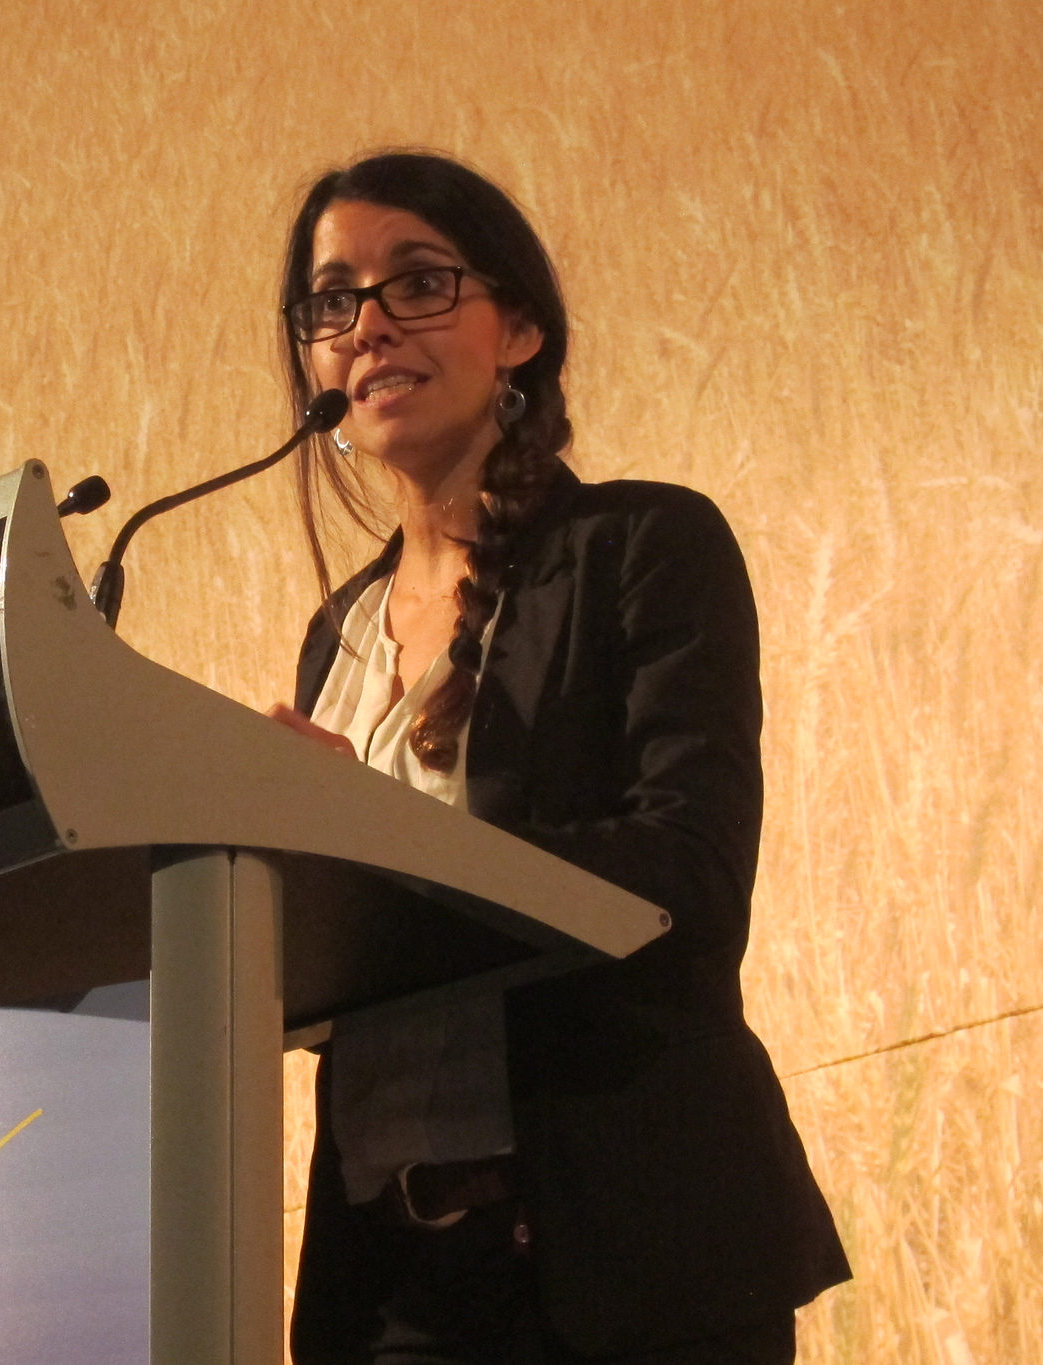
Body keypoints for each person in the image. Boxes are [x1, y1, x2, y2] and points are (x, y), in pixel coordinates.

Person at [263, 151, 850, 1363]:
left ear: (518, 328)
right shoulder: (342, 637)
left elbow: (686, 879)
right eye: (332, 301)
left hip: (619, 1252)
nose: (367, 325)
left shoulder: (643, 546)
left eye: (415, 283)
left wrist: (378, 849)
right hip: (393, 1286)